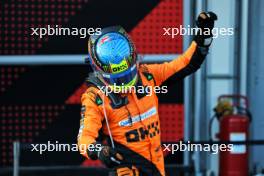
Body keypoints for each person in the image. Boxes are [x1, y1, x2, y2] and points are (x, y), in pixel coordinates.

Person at [78, 12, 217, 176]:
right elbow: (84, 140)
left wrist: (203, 36)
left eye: (126, 75)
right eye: (117, 79)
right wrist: (100, 151)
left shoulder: (147, 75)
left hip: (156, 168)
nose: (123, 83)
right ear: (99, 70)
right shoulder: (95, 97)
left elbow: (186, 64)